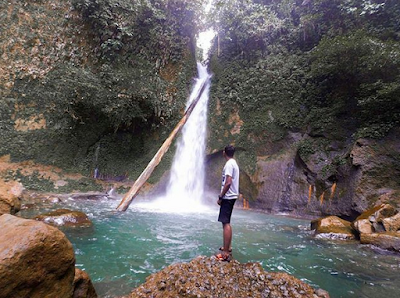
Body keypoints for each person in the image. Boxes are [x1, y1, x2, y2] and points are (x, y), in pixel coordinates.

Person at [216, 145, 239, 261]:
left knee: (225, 223)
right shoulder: (233, 163)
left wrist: (221, 196)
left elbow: (228, 182)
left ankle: (225, 253)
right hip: (231, 196)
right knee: (226, 222)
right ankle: (227, 247)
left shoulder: (229, 164)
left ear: (224, 152)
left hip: (228, 196)